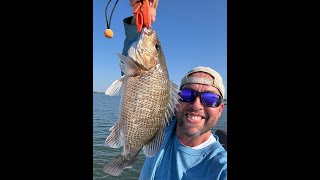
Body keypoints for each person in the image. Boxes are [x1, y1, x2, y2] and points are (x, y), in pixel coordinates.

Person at [120, 1, 227, 179]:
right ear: (177, 100)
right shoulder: (162, 127)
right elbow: (131, 68)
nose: (196, 104)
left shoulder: (219, 166)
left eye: (209, 98)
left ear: (221, 108)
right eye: (187, 94)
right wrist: (139, 20)